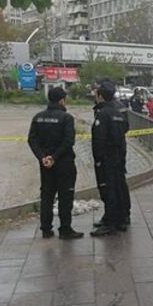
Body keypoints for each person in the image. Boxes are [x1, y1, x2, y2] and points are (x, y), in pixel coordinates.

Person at [27, 87, 84, 240]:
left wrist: (43, 157)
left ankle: (46, 229)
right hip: (64, 163)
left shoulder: (38, 117)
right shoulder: (66, 118)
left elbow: (32, 140)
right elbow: (69, 141)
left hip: (45, 164)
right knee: (65, 195)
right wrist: (54, 157)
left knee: (47, 195)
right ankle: (65, 229)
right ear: (62, 100)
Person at [90, 80, 130, 236]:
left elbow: (99, 138)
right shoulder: (118, 112)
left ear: (101, 96)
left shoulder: (103, 113)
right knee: (119, 186)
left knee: (108, 188)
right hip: (119, 155)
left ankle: (110, 222)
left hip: (107, 158)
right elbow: (125, 129)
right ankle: (120, 219)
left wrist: (98, 158)